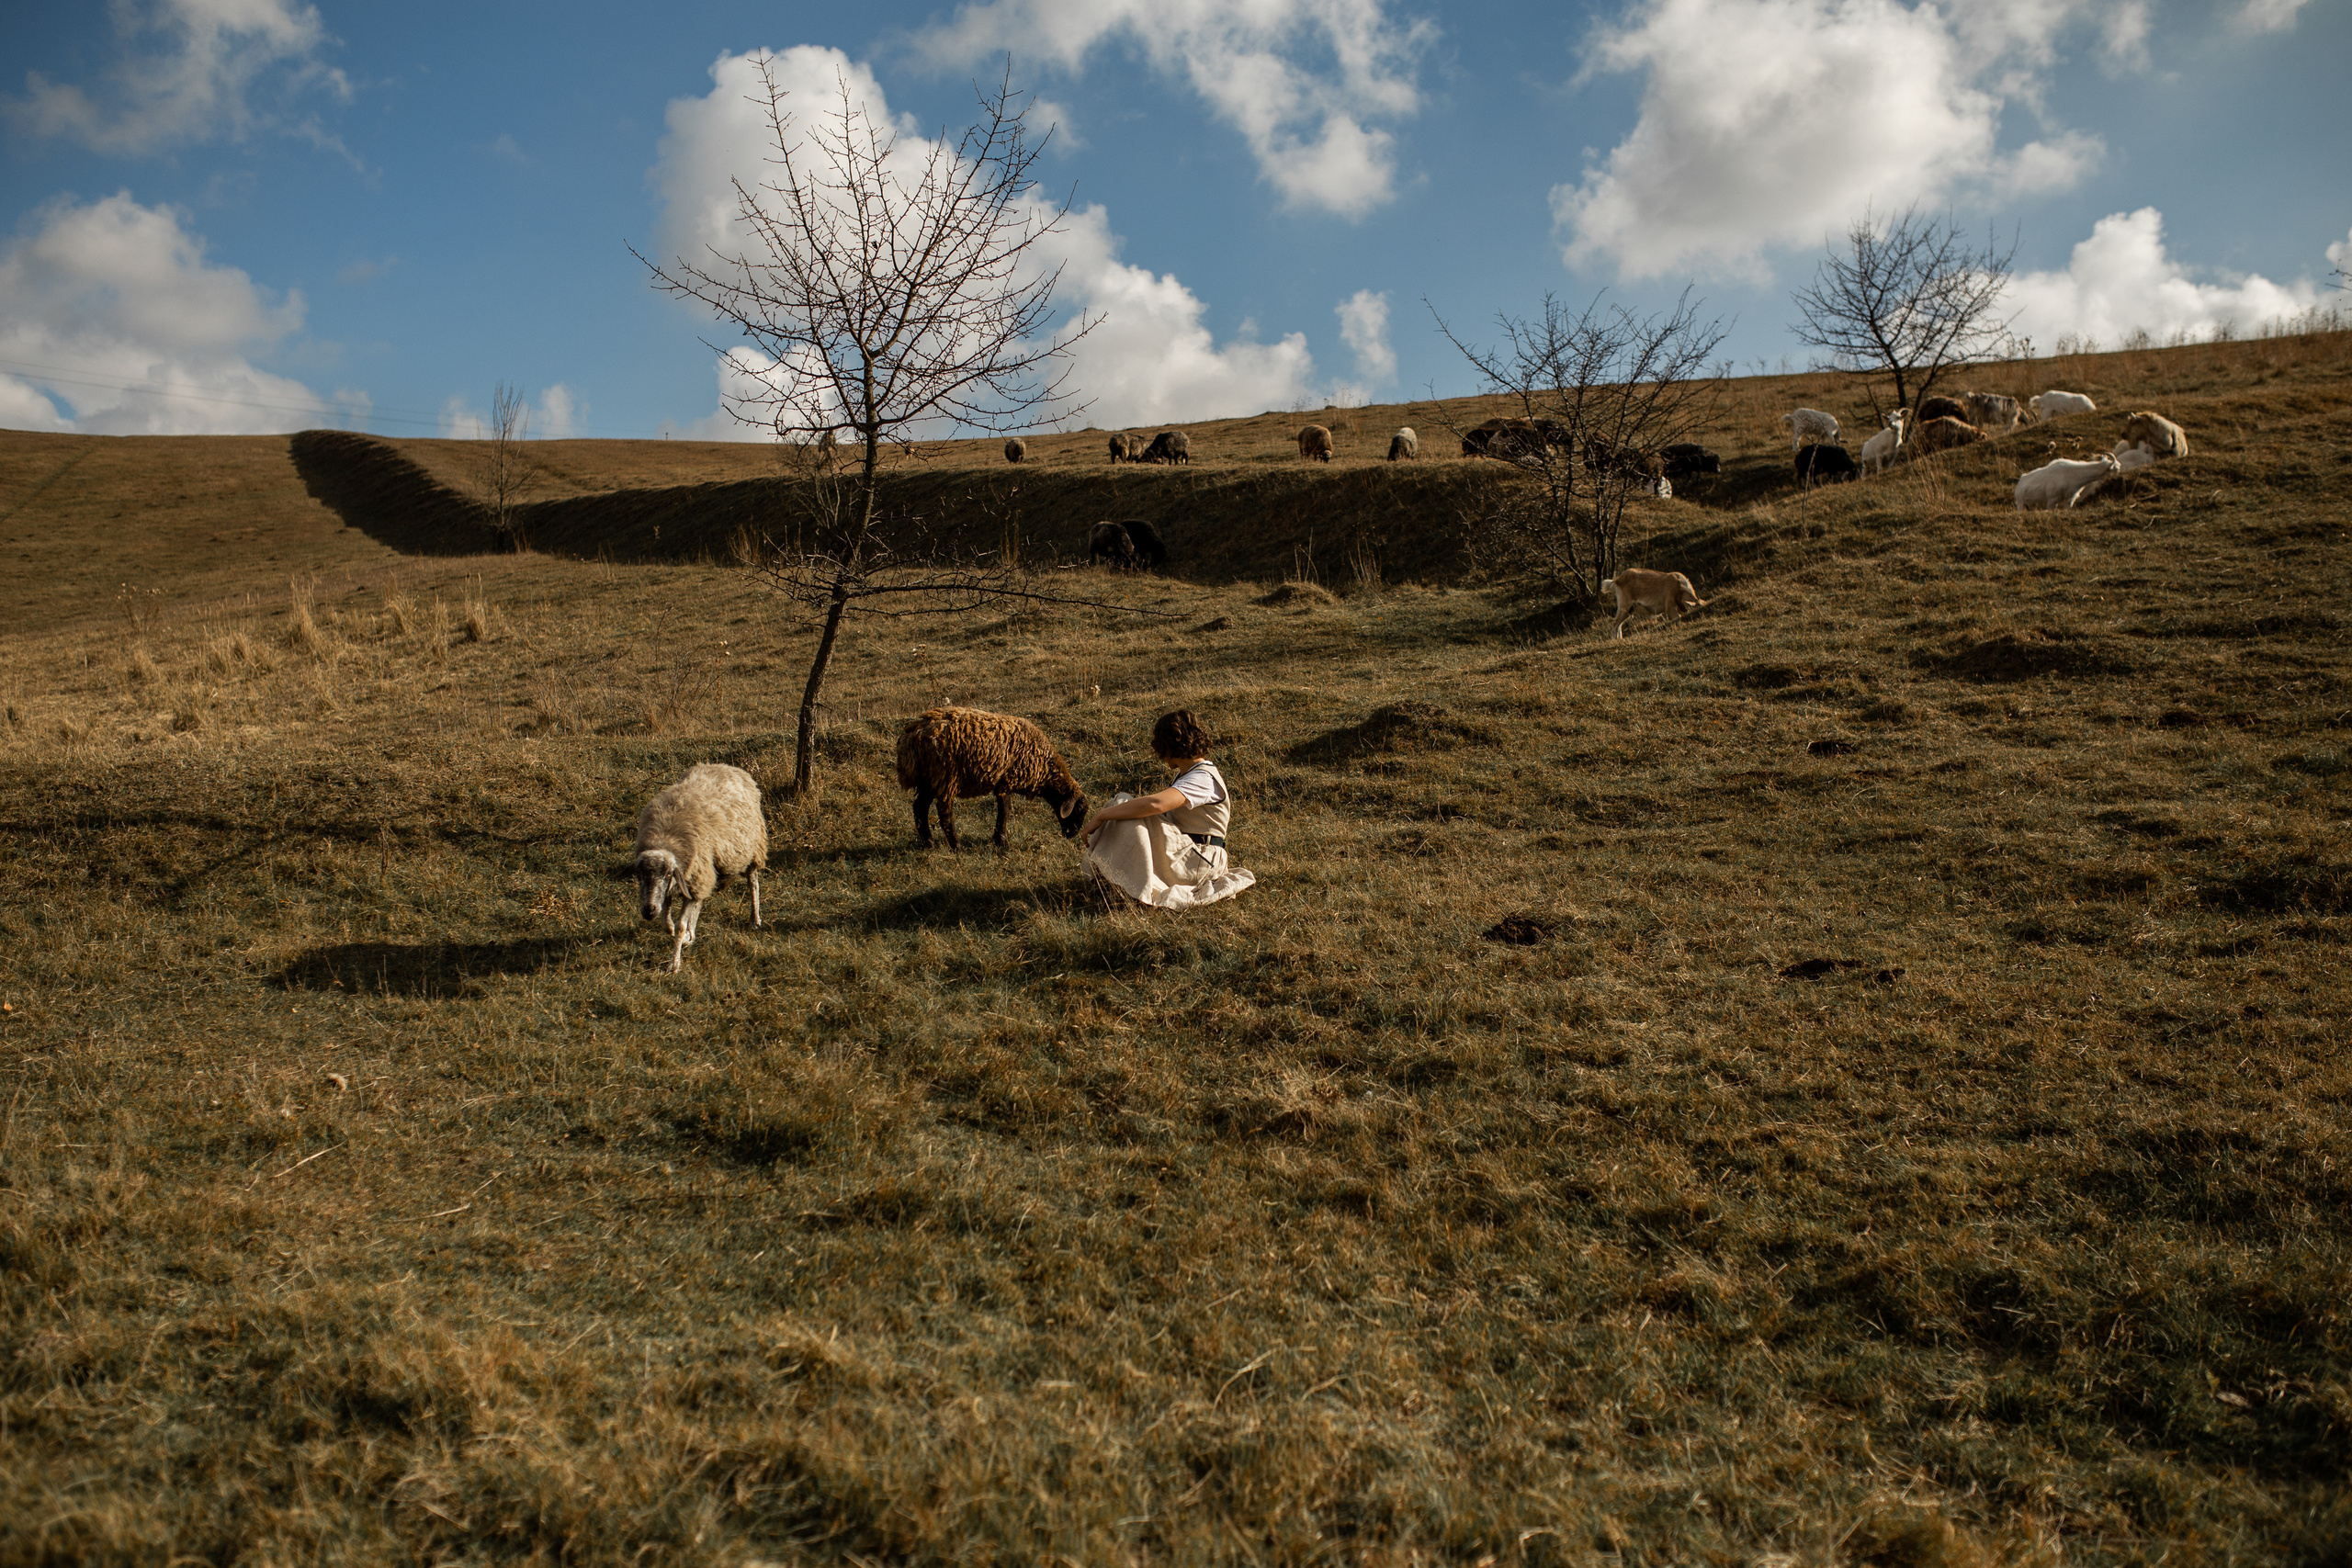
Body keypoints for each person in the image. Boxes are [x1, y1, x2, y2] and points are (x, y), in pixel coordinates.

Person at [1080, 709, 1256, 909]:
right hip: (1189, 855)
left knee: (1123, 804)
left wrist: (1102, 815)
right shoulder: (1189, 775)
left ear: (1169, 746)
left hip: (1201, 861)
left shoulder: (1203, 778)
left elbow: (1155, 805)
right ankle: (1109, 880)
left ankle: (1114, 882)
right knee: (1125, 807)